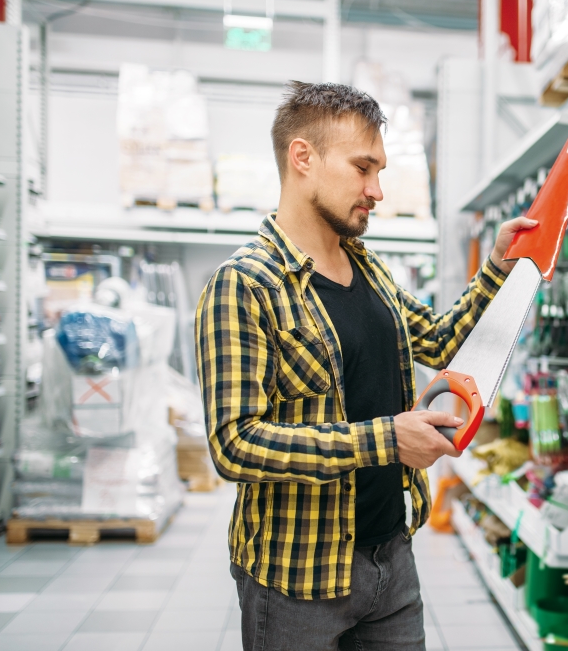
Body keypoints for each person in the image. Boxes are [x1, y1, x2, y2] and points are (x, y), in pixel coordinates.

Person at [195, 81, 536, 651]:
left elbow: (441, 338)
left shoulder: (369, 269)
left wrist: (498, 267)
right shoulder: (244, 286)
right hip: (296, 580)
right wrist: (386, 441)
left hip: (391, 558)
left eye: (379, 170)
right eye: (363, 168)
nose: (377, 190)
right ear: (302, 157)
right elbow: (234, 445)